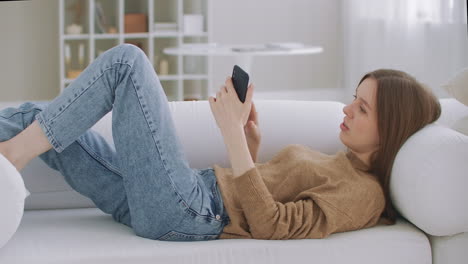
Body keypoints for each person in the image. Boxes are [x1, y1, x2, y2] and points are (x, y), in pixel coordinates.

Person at [0, 44, 441, 241]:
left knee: (127, 63)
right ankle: (14, 147)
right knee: (33, 120)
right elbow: (259, 196)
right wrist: (250, 145)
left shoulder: (363, 194)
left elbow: (271, 226)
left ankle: (12, 157)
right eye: (353, 100)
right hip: (179, 198)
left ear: (392, 129)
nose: (346, 111)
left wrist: (229, 135)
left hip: (192, 211)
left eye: (362, 110)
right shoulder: (342, 161)